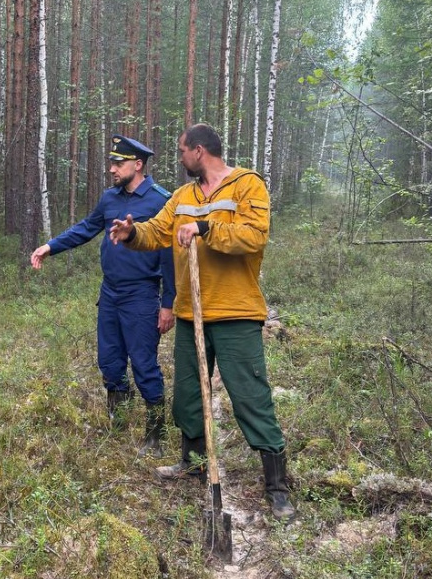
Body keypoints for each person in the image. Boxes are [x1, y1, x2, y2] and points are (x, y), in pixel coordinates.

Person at [109, 122, 295, 519]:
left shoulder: (247, 185)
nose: (179, 158)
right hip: (191, 313)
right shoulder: (182, 196)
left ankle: (277, 485)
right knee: (189, 394)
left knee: (250, 396)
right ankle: (192, 464)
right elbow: (157, 232)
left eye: (181, 151)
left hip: (235, 312)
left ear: (198, 151)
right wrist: (131, 233)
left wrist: (206, 228)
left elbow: (254, 235)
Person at [31, 134, 176, 457]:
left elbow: (170, 257)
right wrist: (50, 246)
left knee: (143, 363)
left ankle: (155, 432)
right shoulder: (110, 199)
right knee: (110, 361)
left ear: (137, 165)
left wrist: (168, 304)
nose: (112, 169)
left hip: (142, 294)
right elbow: (86, 227)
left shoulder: (161, 201)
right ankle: (119, 420)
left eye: (118, 163)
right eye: (111, 162)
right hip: (110, 293)